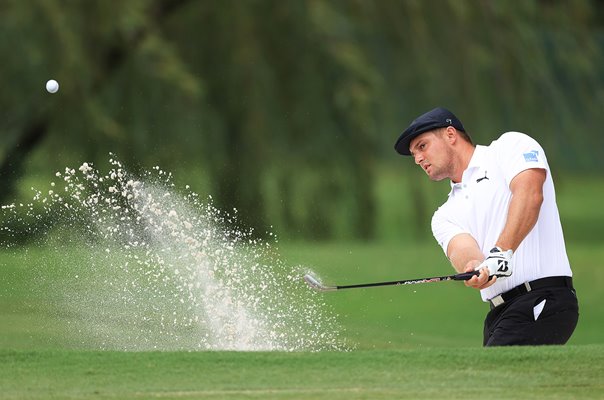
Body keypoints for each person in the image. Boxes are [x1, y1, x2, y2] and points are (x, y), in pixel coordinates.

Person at [394, 107, 579, 346]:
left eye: (422, 146)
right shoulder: (443, 215)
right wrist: (474, 267)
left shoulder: (510, 147)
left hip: (542, 299)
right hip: (499, 315)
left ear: (451, 135)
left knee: (491, 381)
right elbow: (463, 251)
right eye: (413, 154)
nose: (418, 159)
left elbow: (530, 195)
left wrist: (502, 252)